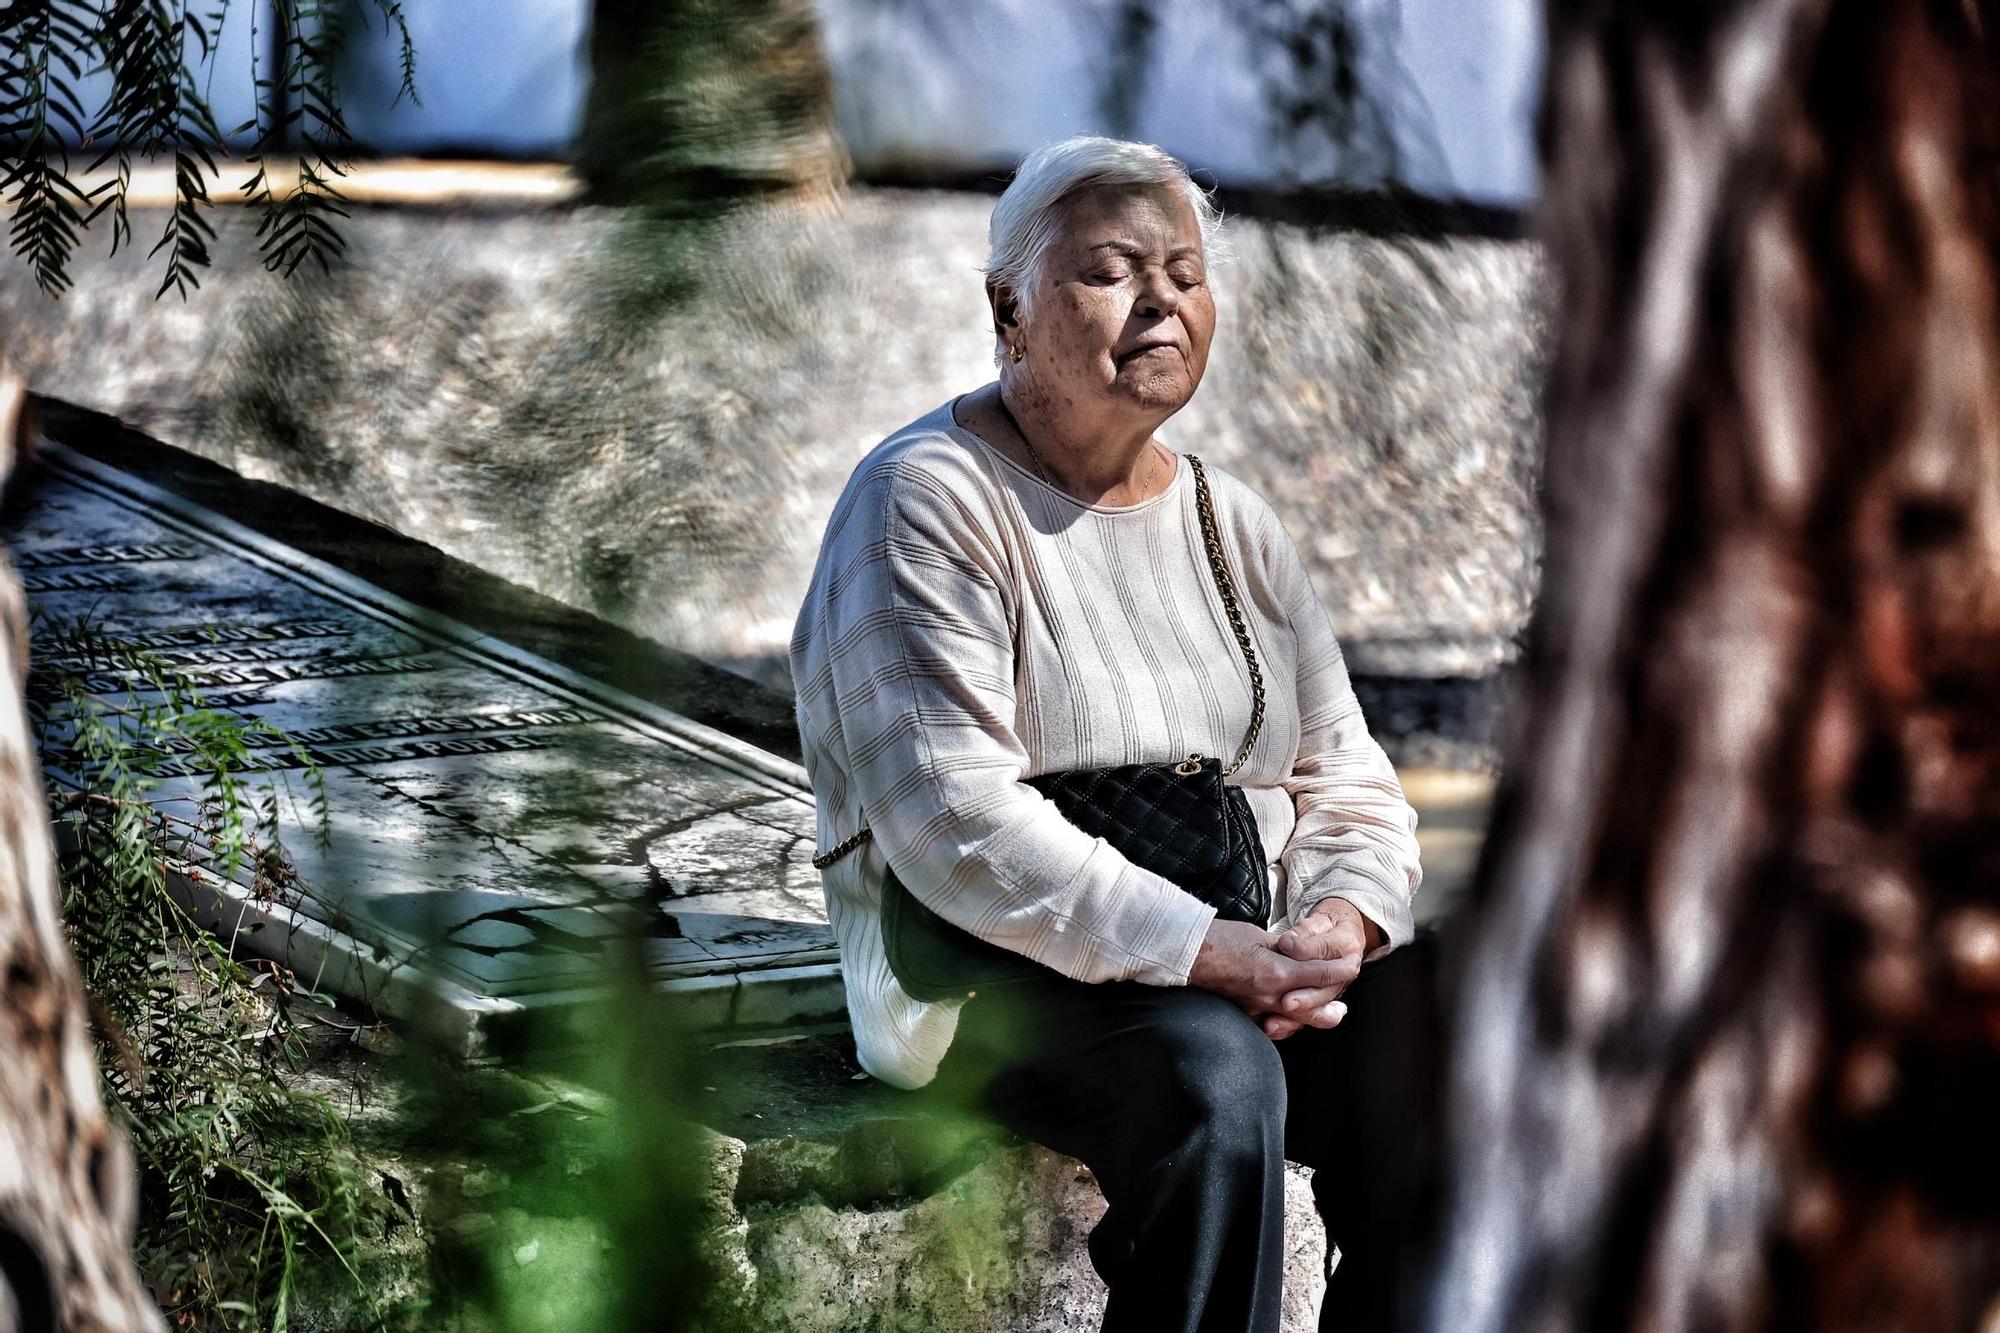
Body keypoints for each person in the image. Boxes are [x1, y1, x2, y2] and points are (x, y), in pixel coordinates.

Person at [788, 135, 1431, 1333]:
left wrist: (1335, 926)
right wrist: (1208, 951)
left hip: (1233, 945)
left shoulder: (1229, 520)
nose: (1161, 304)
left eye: (1184, 273)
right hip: (987, 975)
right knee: (1210, 1074)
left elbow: (1348, 780)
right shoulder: (924, 502)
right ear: (1008, 307)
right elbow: (955, 823)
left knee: (1452, 1024)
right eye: (1112, 271)